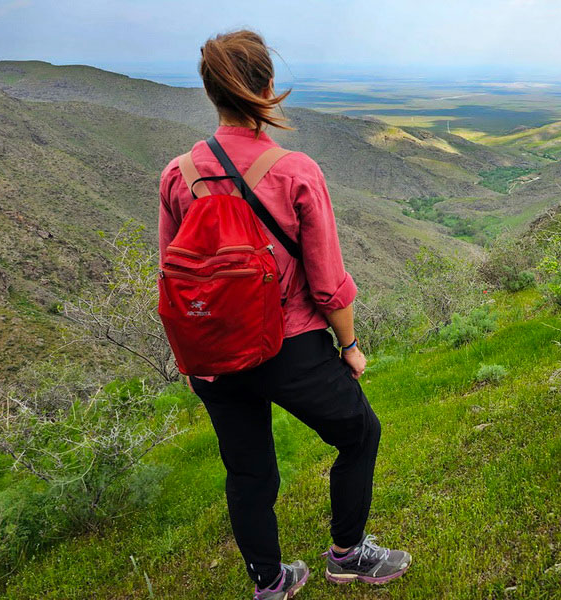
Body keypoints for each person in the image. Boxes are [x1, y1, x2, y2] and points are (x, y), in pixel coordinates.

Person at [157, 29, 411, 600]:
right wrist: (349, 346)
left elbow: (171, 274)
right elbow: (328, 284)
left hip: (215, 352)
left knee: (249, 472)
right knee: (360, 433)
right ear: (268, 90)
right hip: (290, 346)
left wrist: (190, 356)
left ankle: (270, 583)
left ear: (210, 93)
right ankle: (348, 555)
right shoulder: (293, 170)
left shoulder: (178, 174)